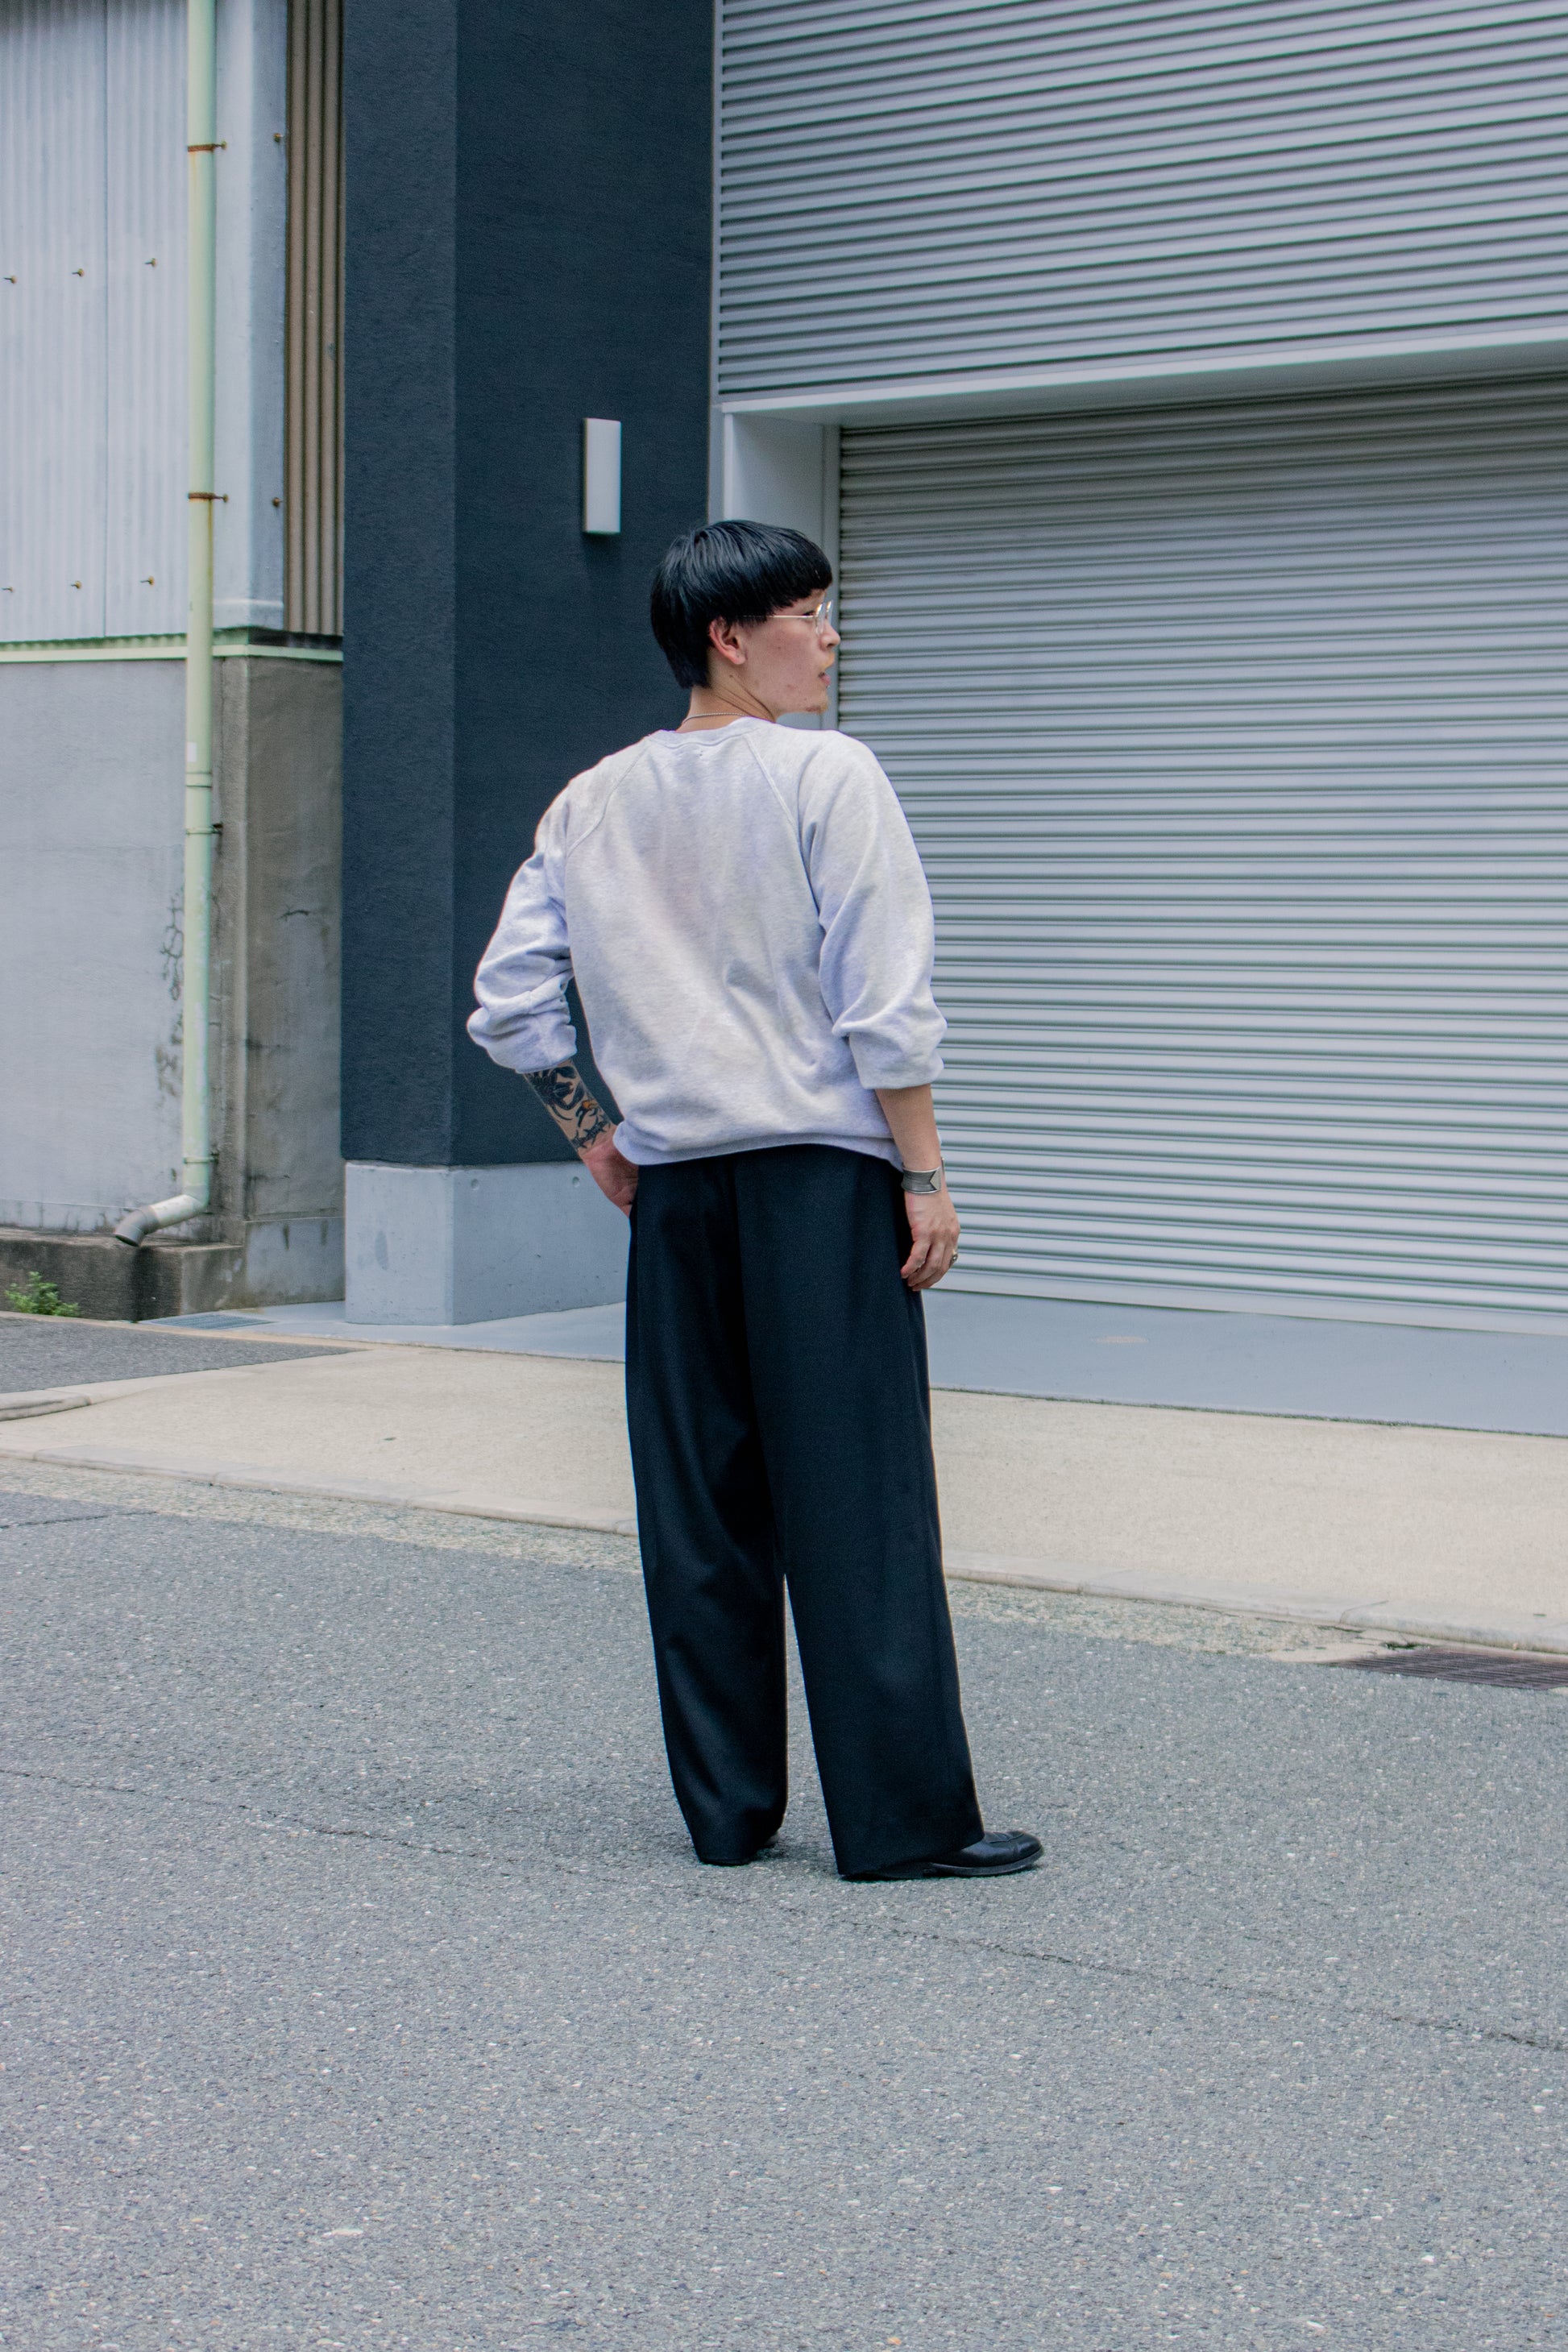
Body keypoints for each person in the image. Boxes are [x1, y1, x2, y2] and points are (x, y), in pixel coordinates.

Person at [468, 519, 1041, 1884]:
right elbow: (883, 999)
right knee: (857, 1500)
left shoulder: (591, 798)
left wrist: (596, 1140)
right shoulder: (825, 772)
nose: (829, 637)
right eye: (807, 613)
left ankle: (726, 1813)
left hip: (675, 1197)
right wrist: (923, 1175)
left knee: (702, 1509)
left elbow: (509, 1002)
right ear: (730, 636)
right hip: (819, 1187)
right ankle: (902, 1824)